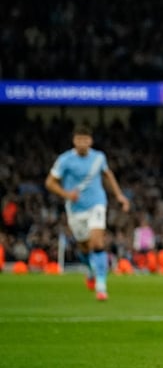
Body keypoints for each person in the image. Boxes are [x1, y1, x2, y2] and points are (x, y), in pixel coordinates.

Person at [44, 124, 131, 301]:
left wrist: (119, 195)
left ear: (90, 141)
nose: (82, 143)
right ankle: (90, 270)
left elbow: (108, 175)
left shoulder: (99, 157)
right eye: (79, 139)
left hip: (97, 204)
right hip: (75, 209)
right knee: (84, 248)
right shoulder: (65, 160)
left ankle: (101, 286)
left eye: (85, 139)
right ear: (74, 141)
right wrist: (66, 194)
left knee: (97, 244)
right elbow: (50, 183)